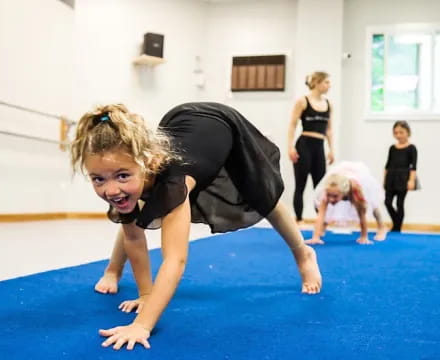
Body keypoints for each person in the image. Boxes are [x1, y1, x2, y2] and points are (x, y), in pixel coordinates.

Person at [70, 102, 322, 351]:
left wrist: (141, 325)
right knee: (129, 207)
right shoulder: (125, 181)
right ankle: (113, 269)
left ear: (148, 164)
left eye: (122, 175)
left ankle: (303, 254)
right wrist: (146, 294)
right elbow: (133, 237)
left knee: (261, 196)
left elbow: (175, 261)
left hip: (221, 126)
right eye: (98, 179)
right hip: (180, 122)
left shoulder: (173, 184)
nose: (110, 189)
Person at [287, 71, 335, 223]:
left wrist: (332, 149)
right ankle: (299, 220)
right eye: (326, 82)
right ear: (317, 83)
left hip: (319, 147)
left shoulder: (328, 104)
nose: (329, 85)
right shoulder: (303, 101)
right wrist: (290, 147)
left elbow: (329, 129)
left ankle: (321, 219)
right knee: (300, 184)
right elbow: (292, 125)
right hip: (304, 145)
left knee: (320, 187)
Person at [305, 161, 387, 245]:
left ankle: (381, 226)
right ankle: (322, 227)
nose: (331, 199)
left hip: (358, 180)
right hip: (340, 176)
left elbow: (362, 214)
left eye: (335, 196)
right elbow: (321, 214)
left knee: (372, 204)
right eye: (329, 195)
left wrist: (364, 236)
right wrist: (315, 237)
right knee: (322, 205)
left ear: (344, 193)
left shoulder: (355, 190)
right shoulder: (328, 190)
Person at [383, 121, 418, 232]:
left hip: (403, 178)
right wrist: (384, 179)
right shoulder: (392, 148)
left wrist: (411, 180)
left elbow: (413, 166)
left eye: (401, 132)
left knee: (399, 203)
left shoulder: (411, 148)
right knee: (387, 202)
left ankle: (397, 228)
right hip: (391, 177)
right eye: (396, 133)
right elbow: (387, 164)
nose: (398, 135)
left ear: (408, 133)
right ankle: (396, 223)